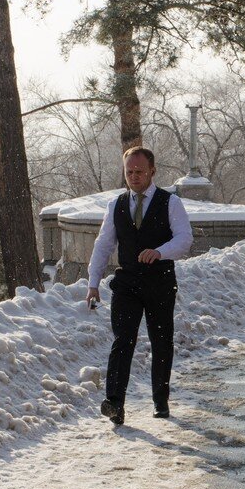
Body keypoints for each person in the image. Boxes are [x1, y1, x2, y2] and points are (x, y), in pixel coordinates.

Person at [87, 146, 194, 425]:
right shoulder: (117, 205)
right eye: (129, 172)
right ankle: (114, 403)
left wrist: (160, 251)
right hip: (128, 282)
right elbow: (103, 245)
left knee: (161, 340)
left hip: (159, 281)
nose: (134, 177)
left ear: (152, 172)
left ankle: (160, 399)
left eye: (139, 172)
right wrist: (93, 282)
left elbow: (184, 239)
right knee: (123, 340)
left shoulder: (170, 203)